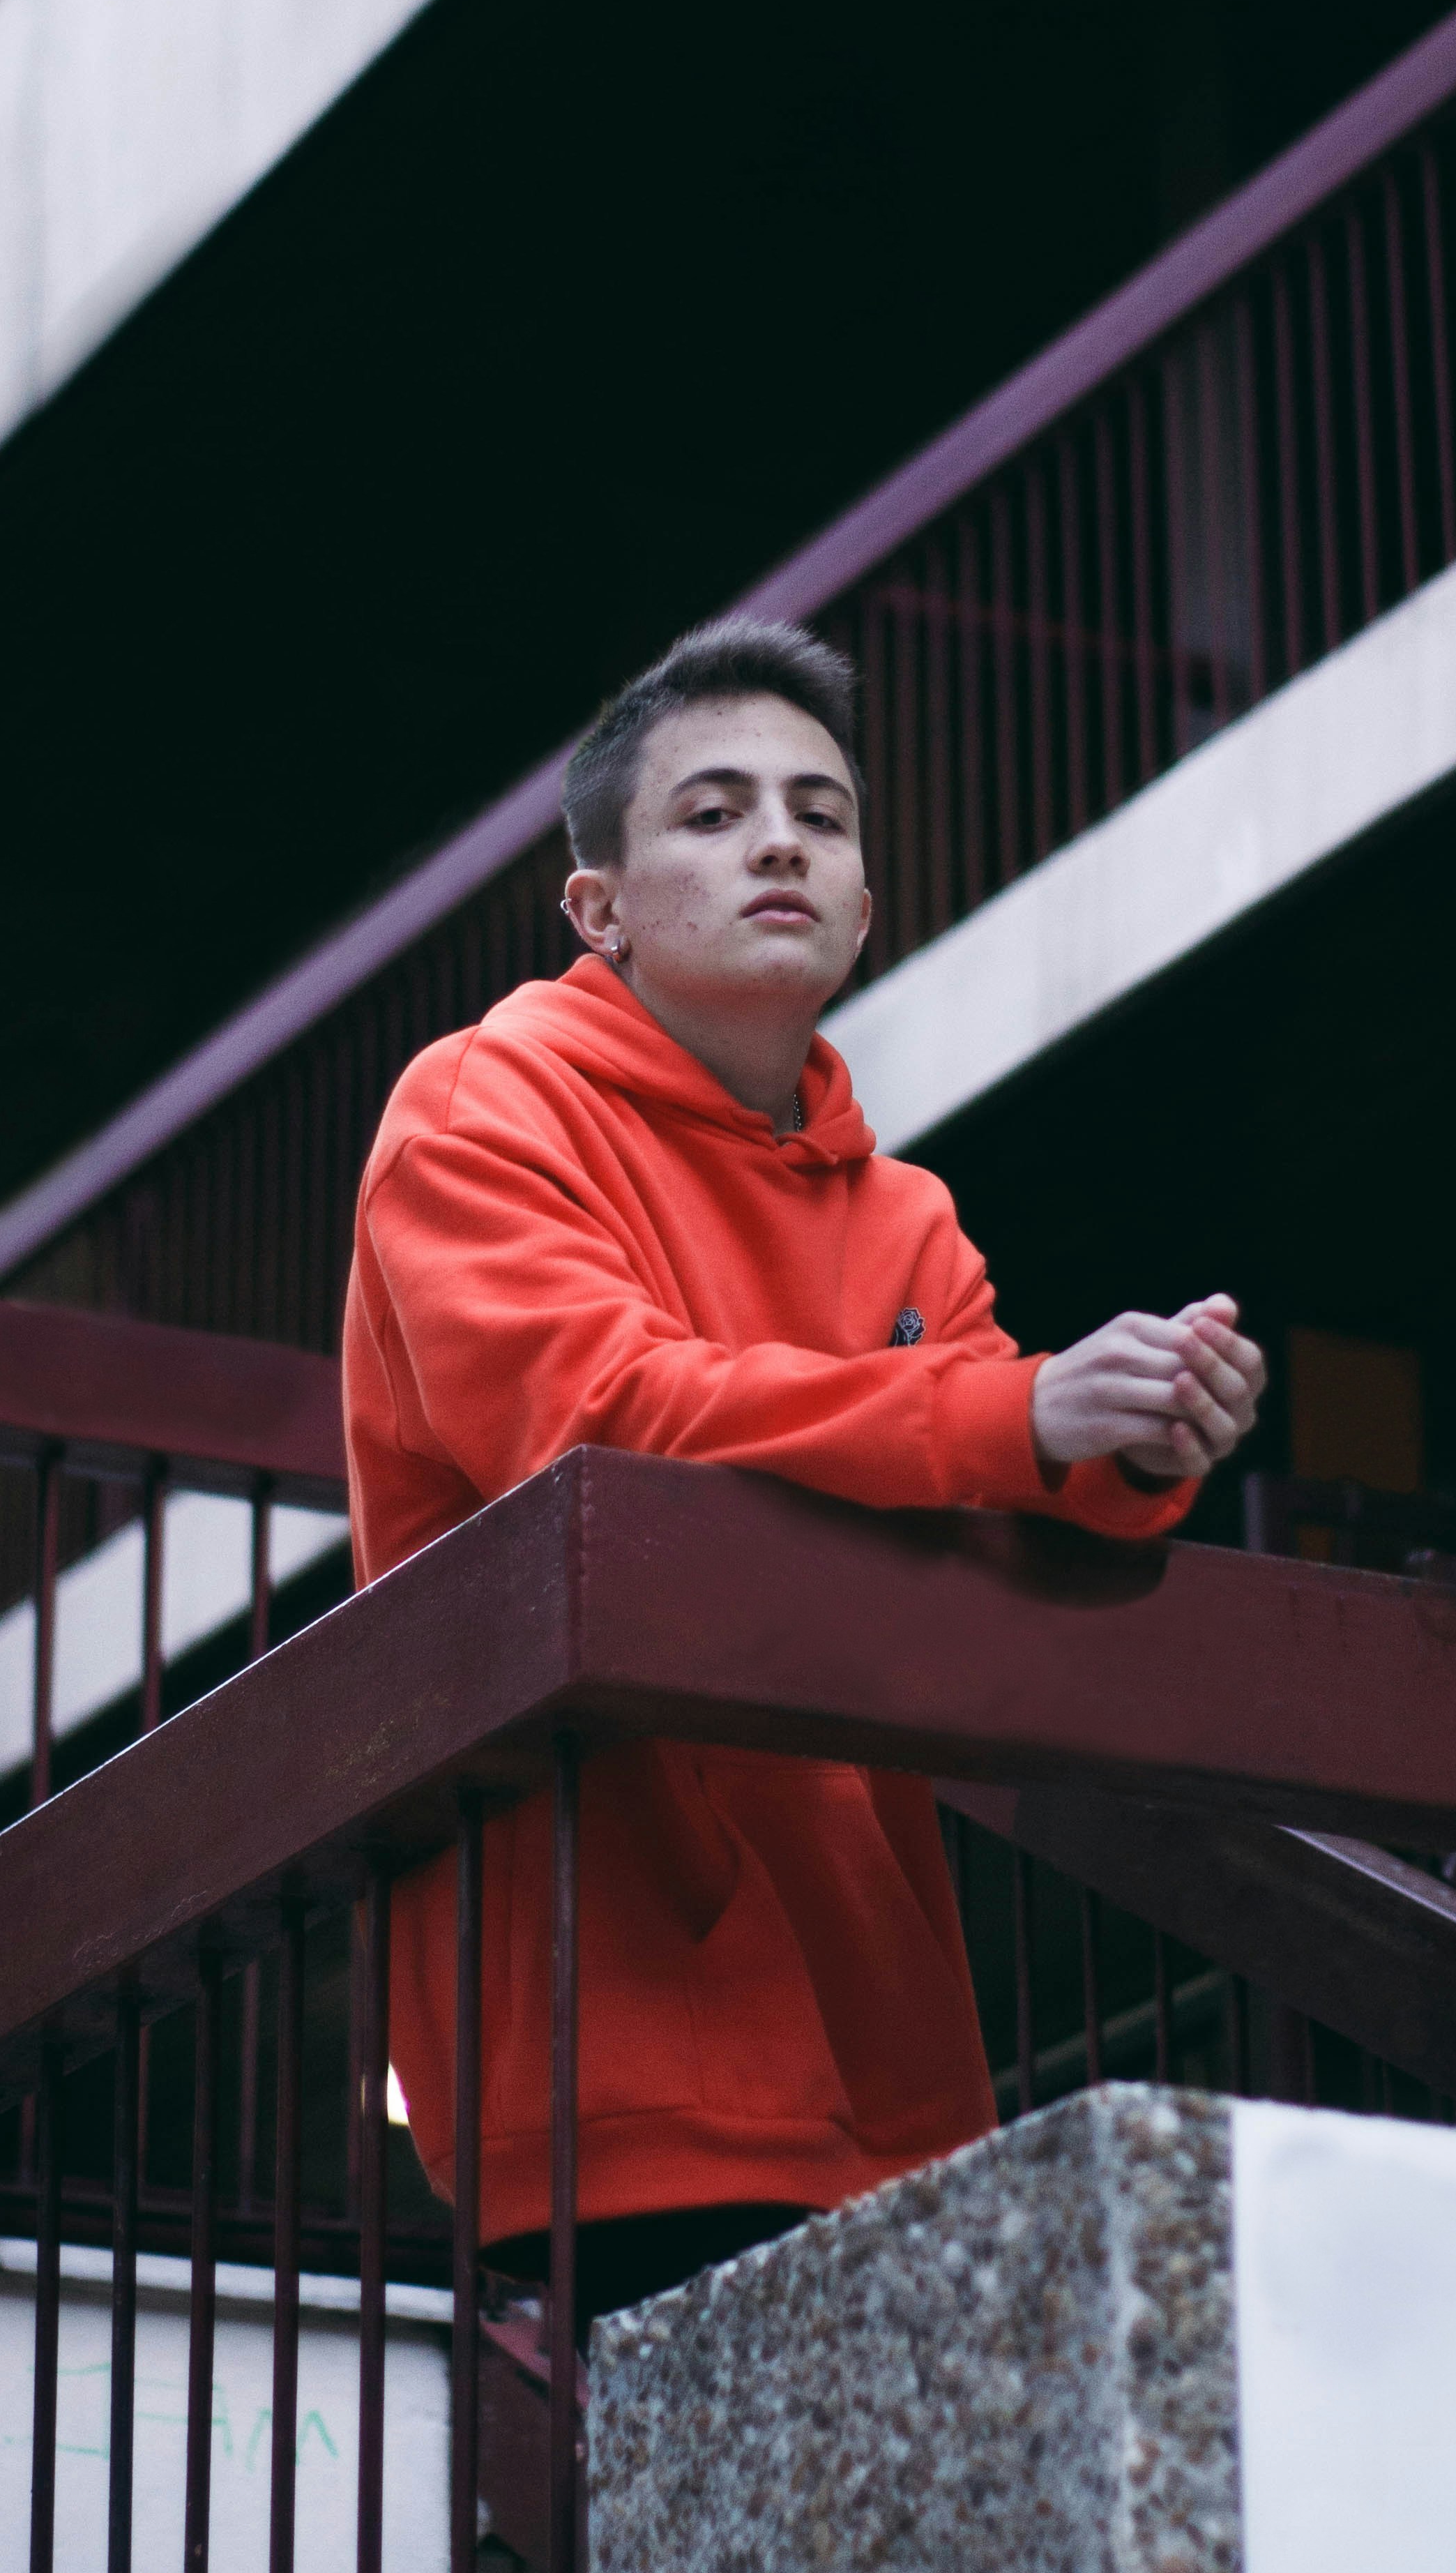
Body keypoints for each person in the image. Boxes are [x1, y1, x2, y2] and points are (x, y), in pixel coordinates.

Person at [342, 617, 1266, 2332]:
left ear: (860, 907)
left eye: (820, 816)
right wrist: (1017, 1420)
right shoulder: (477, 1105)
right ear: (597, 907)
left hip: (886, 2049)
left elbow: (997, 1472)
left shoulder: (903, 1215)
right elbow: (598, 1417)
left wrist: (1132, 1447)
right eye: (711, 811)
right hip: (606, 2029)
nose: (780, 839)